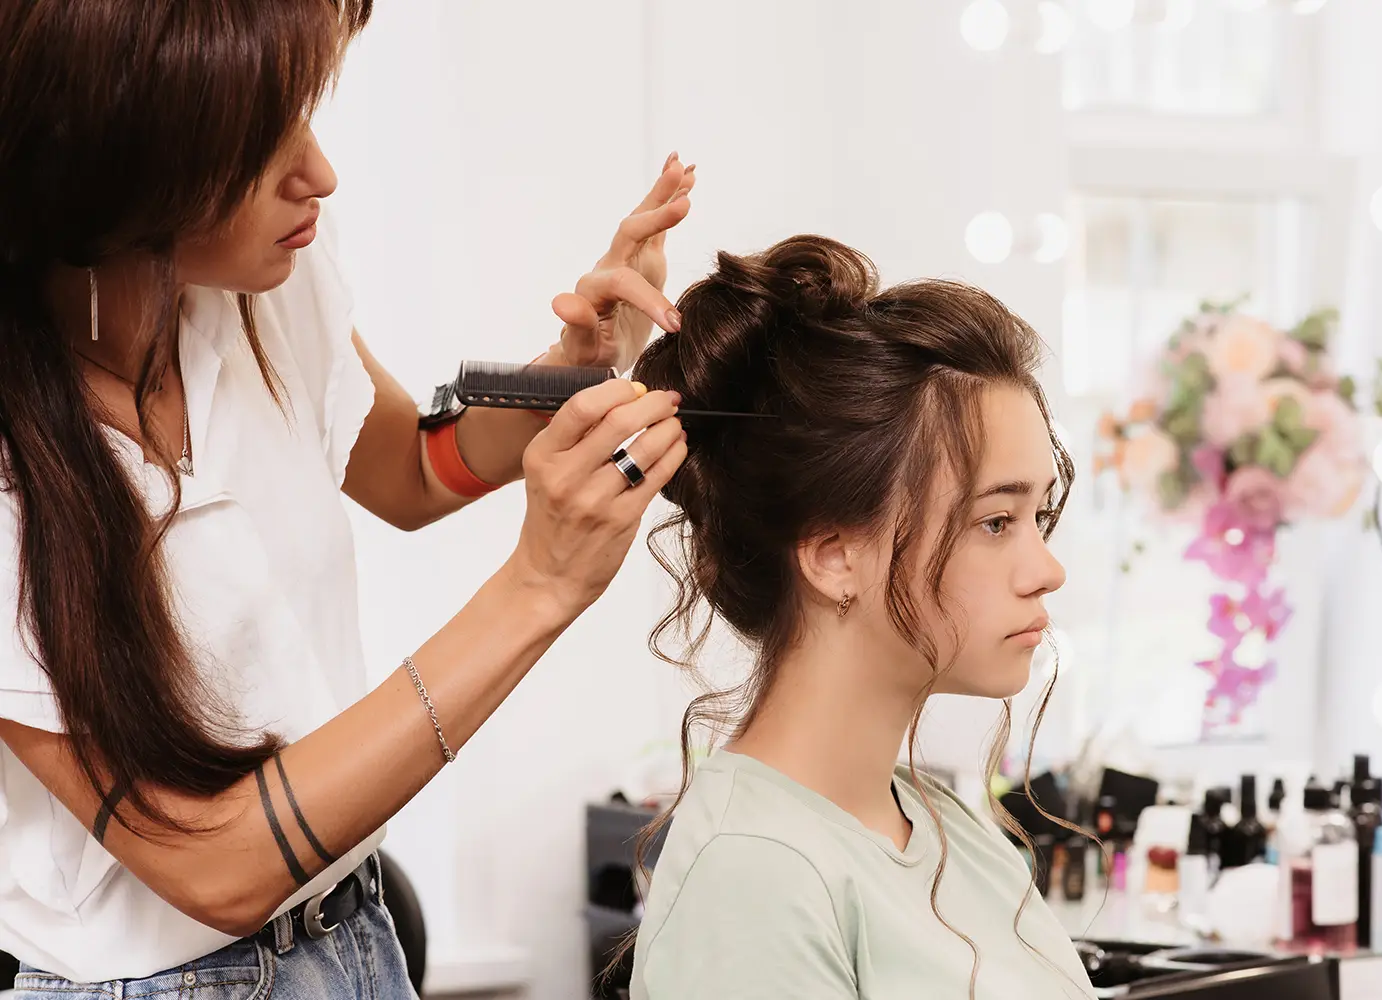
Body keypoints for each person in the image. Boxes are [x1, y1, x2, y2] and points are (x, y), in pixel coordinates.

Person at [0, 2, 691, 997]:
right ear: (119, 165)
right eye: (258, 146)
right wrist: (540, 585)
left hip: (357, 938)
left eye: (303, 117)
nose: (319, 174)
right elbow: (214, 862)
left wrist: (577, 366)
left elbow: (416, 469)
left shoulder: (262, 285)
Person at [627, 236, 1096, 999]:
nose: (1047, 570)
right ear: (834, 557)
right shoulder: (755, 875)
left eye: (1038, 516)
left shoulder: (947, 827)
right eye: (995, 522)